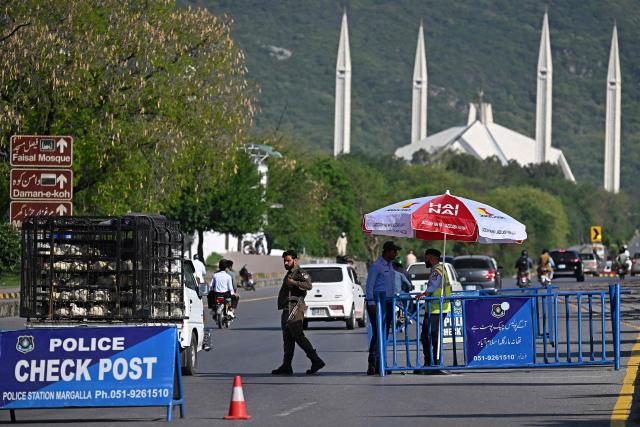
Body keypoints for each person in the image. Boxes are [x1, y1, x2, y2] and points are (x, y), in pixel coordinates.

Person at [272, 250, 325, 376]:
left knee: (298, 336)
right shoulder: (290, 272)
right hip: (287, 309)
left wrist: (294, 283)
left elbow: (309, 285)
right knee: (288, 338)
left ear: (295, 260)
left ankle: (316, 360)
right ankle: (286, 365)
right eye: (284, 260)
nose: (285, 263)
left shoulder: (300, 272)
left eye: (288, 260)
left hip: (295, 308)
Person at [365, 240, 401, 375]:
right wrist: (371, 303)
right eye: (394, 251)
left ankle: (381, 363)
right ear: (387, 251)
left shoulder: (391, 265)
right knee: (378, 333)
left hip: (388, 302)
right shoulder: (377, 266)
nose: (396, 253)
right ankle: (373, 364)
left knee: (384, 334)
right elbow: (369, 286)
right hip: (377, 303)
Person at [415, 248, 451, 375]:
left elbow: (433, 285)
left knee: (429, 336)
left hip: (436, 309)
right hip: (437, 308)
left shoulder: (437, 270)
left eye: (426, 258)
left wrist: (424, 293)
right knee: (430, 336)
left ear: (431, 258)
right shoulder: (441, 268)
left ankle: (432, 364)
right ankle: (431, 362)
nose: (425, 260)